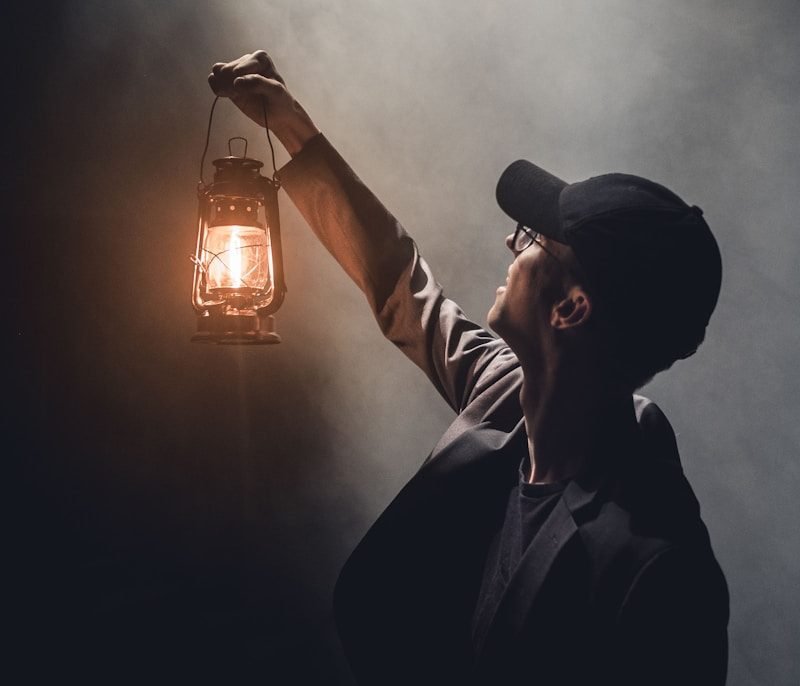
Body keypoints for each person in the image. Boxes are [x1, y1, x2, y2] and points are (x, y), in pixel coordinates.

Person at [209, 50, 729, 685]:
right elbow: (402, 286)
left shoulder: (660, 573)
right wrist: (292, 127)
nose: (510, 244)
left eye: (533, 240)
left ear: (571, 307)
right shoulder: (509, 394)